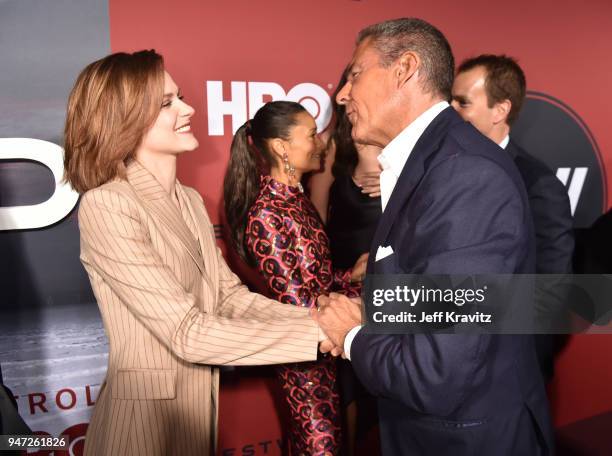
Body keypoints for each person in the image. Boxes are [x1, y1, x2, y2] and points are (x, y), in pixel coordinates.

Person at [63, 51, 326, 456]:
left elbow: (227, 298)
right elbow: (187, 333)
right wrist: (324, 332)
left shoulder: (188, 200)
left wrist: (317, 317)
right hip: (140, 430)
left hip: (197, 417)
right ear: (125, 117)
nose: (187, 109)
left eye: (180, 97)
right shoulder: (108, 204)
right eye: (167, 103)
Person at [313, 18, 554, 455]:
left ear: (404, 68)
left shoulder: (464, 174)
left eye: (354, 74)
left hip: (466, 438)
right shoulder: (433, 161)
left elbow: (437, 371)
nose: (344, 93)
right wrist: (378, 308)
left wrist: (353, 335)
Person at [223, 101, 367, 456]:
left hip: (326, 354)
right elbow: (297, 304)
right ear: (281, 147)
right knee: (321, 448)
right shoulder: (267, 213)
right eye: (311, 134)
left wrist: (353, 275)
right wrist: (354, 294)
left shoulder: (296, 200)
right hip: (303, 361)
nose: (320, 143)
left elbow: (313, 282)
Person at [451, 54, 574, 382]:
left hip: (507, 371)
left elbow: (549, 290)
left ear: (500, 110)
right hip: (444, 366)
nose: (451, 111)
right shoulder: (441, 173)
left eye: (463, 102)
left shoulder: (537, 184)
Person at [308, 70, 382, 455]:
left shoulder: (406, 154)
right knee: (348, 383)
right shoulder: (332, 149)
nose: (346, 96)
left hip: (390, 283)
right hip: (344, 283)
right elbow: (316, 224)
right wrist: (334, 279)